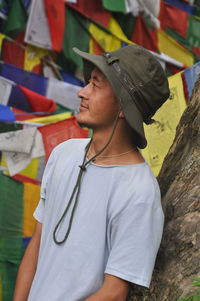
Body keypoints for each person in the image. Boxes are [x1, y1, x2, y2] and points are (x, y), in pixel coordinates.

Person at [13, 44, 170, 301]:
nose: (82, 92)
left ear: (122, 107)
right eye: (88, 82)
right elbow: (38, 241)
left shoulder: (139, 193)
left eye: (95, 85)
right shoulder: (63, 153)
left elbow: (114, 293)